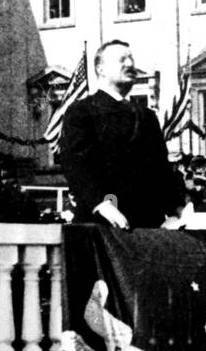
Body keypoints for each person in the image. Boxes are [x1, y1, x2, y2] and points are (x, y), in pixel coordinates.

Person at [58, 39, 185, 229]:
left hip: (149, 225)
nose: (130, 64)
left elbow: (161, 169)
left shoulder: (146, 116)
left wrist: (175, 211)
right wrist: (102, 204)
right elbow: (76, 164)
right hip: (101, 223)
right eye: (122, 60)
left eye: (131, 59)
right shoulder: (82, 111)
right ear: (100, 69)